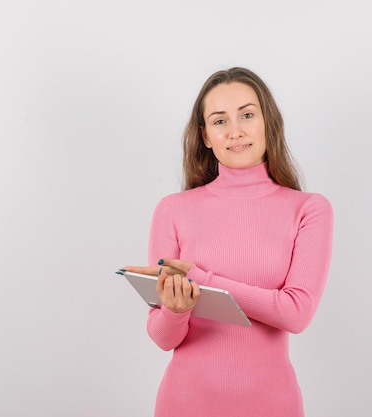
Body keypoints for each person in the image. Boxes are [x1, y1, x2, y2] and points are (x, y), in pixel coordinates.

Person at [121, 67, 333, 417]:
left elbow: (296, 313)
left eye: (247, 115)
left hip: (272, 405)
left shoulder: (308, 209)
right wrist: (175, 310)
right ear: (205, 135)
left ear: (268, 122)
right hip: (184, 405)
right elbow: (162, 337)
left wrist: (199, 279)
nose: (235, 132)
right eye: (220, 121)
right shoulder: (172, 210)